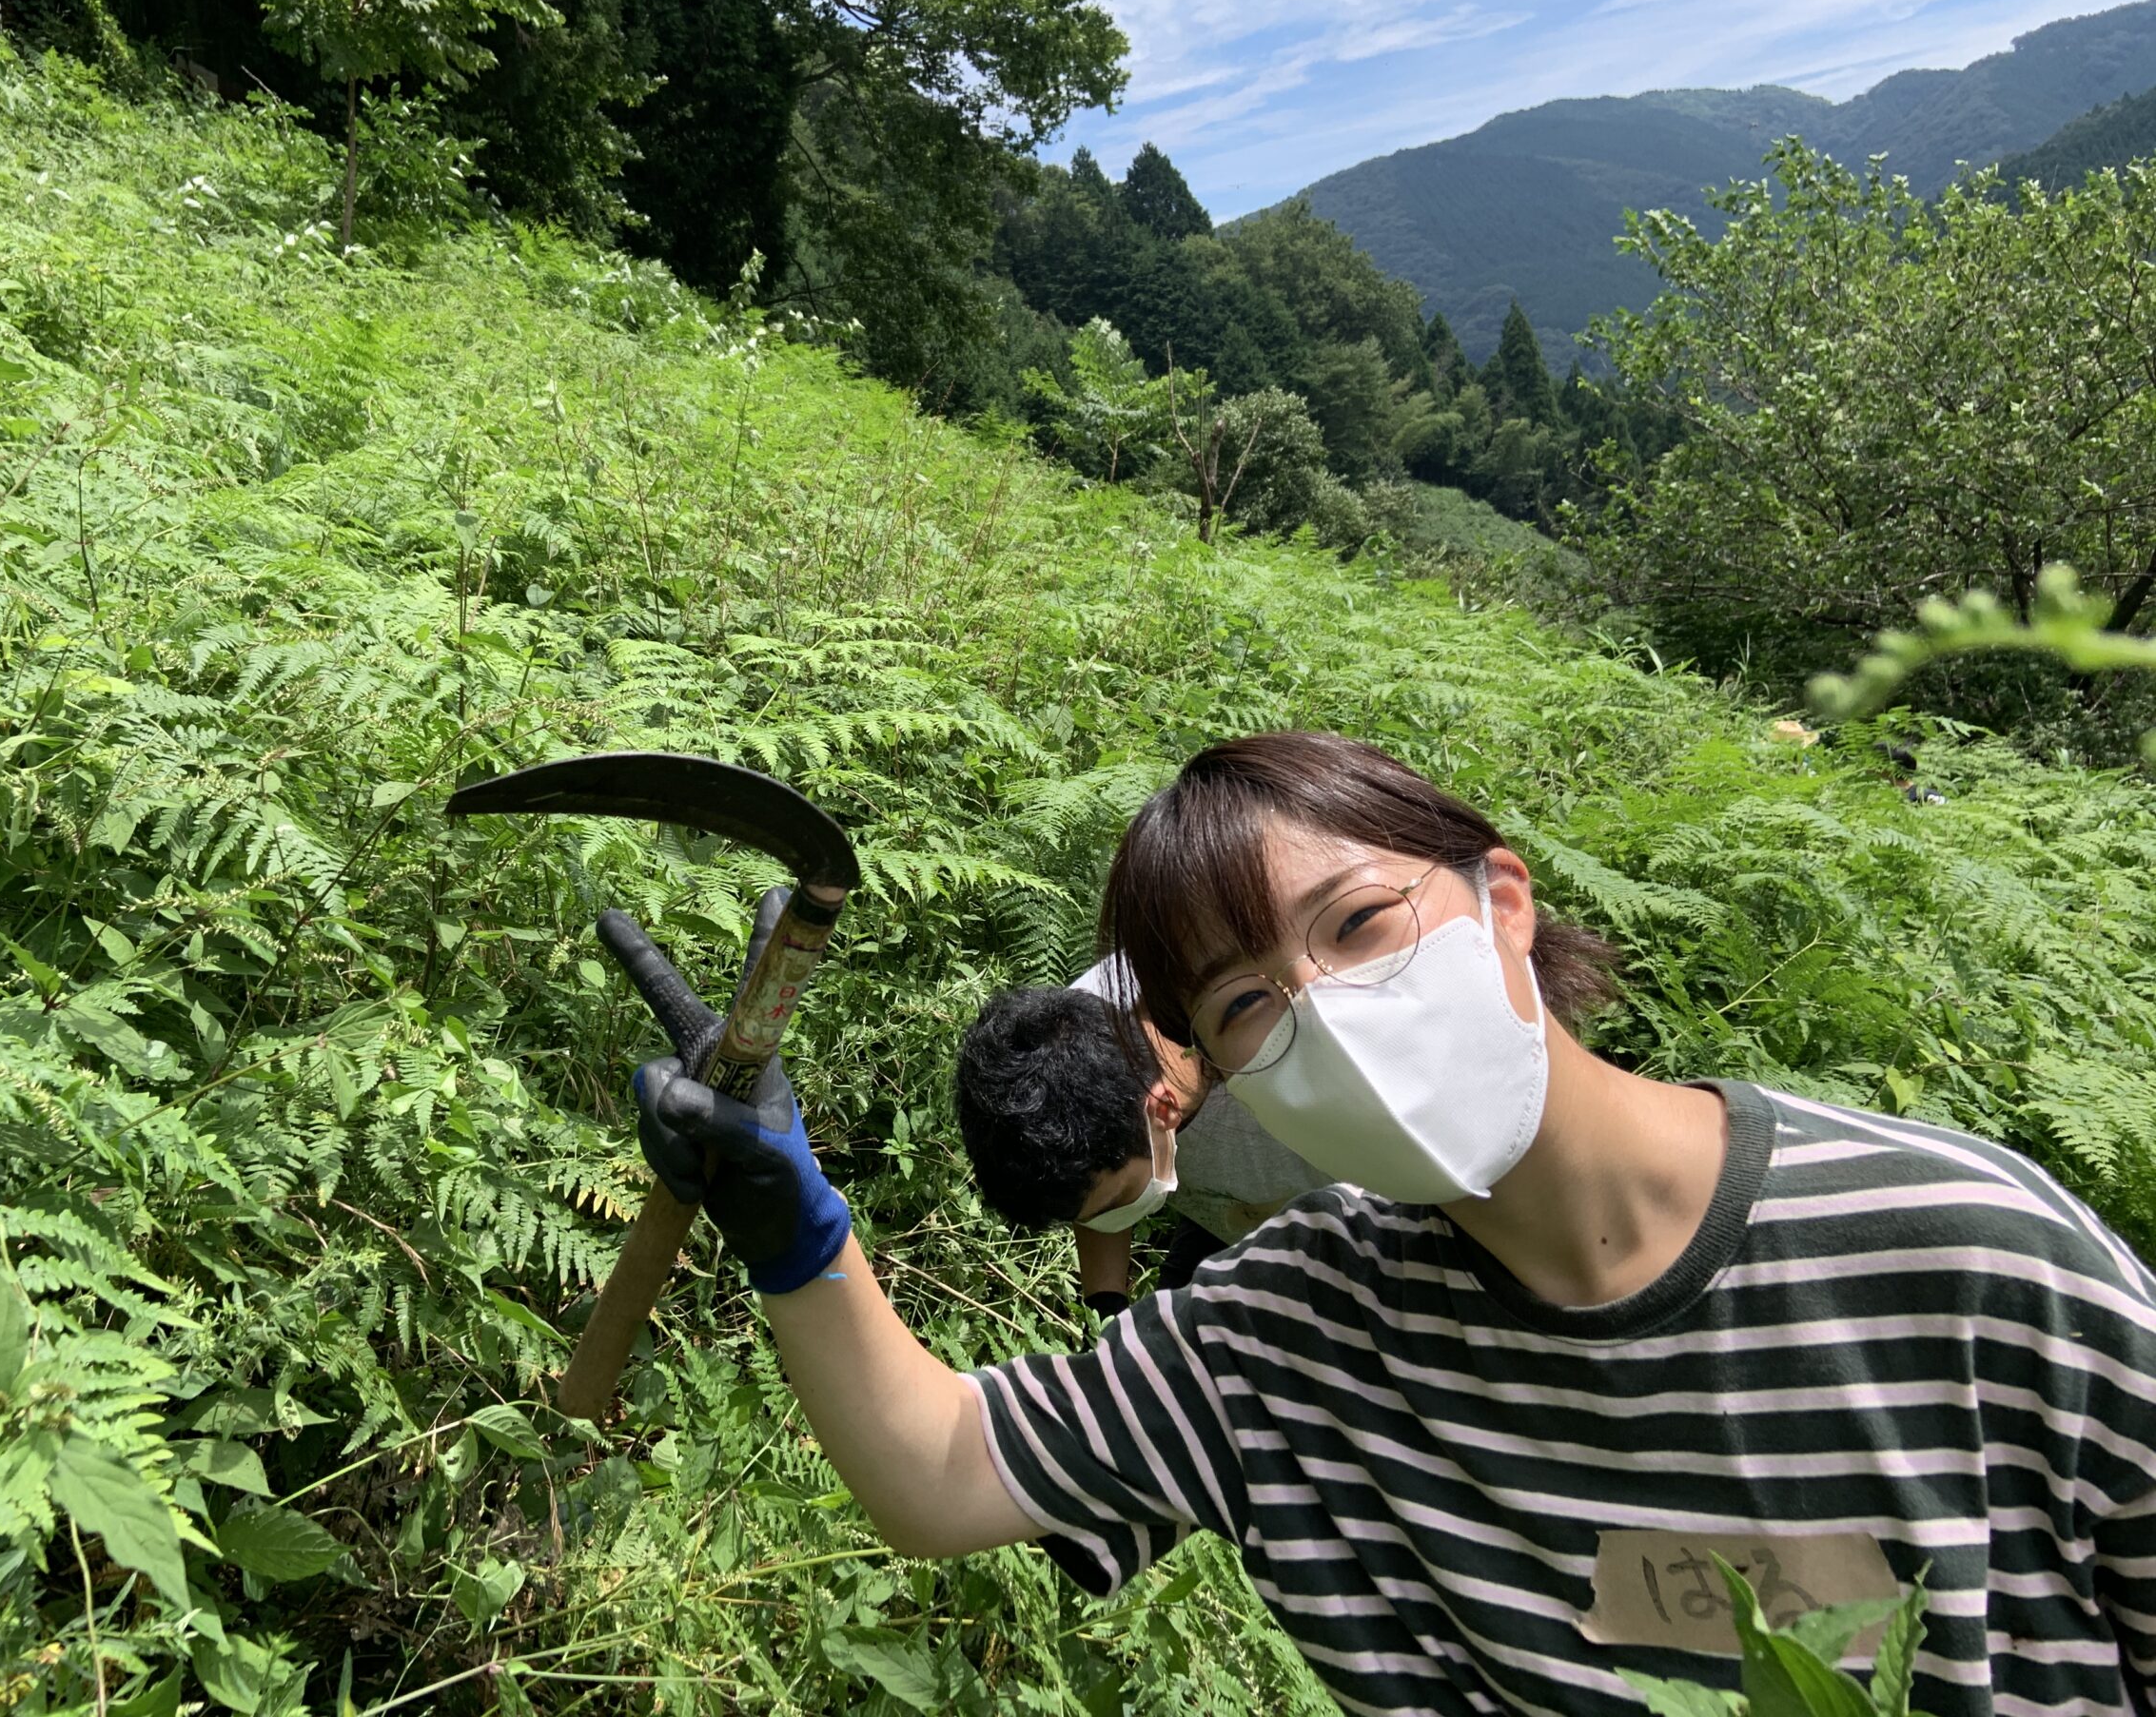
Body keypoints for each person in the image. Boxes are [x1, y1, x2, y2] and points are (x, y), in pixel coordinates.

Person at [630, 732, 2156, 1714]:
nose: (1332, 1020)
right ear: (1211, 1075)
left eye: (1360, 924)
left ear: (1500, 897)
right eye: (1246, 1005)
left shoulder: (1967, 1255)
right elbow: (941, 1477)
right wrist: (798, 1228)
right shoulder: (1295, 1326)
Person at [952, 961, 1334, 1314]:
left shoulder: (1281, 1043)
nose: (1110, 1217)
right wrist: (1106, 1310)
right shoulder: (1063, 1043)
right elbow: (1090, 1186)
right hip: (1219, 1224)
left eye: (1118, 1202)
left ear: (1164, 1110)